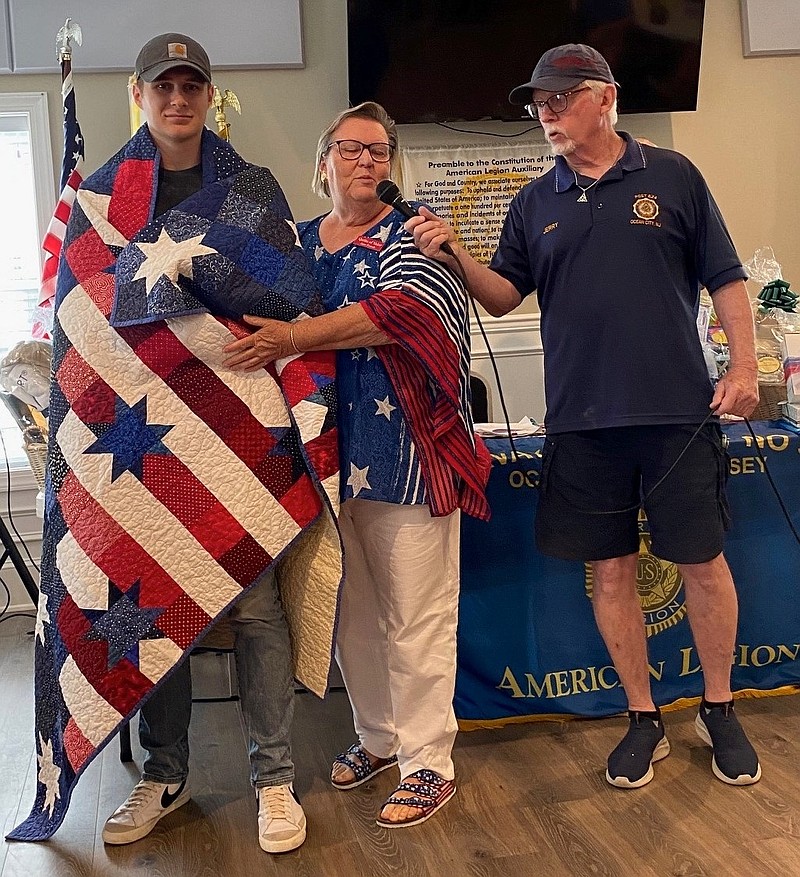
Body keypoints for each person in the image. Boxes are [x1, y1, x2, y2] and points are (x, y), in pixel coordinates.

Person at [10, 31, 343, 850]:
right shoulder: (99, 202)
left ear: (208, 95)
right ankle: (164, 774)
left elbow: (291, 295)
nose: (178, 99)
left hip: (237, 432)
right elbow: (83, 325)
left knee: (258, 606)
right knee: (151, 598)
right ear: (140, 94)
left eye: (192, 85)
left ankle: (272, 779)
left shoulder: (251, 193)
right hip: (138, 445)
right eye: (164, 86)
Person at [406, 44, 762, 790]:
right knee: (610, 572)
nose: (546, 112)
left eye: (560, 99)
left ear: (605, 98)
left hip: (676, 414)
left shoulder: (673, 176)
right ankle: (643, 716)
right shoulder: (534, 202)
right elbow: (503, 295)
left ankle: (720, 707)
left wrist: (741, 367)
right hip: (582, 421)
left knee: (702, 563)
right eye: (539, 102)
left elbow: (725, 277)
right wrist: (453, 254)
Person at [223, 101, 491, 827]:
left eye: (379, 151)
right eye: (351, 149)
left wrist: (293, 334)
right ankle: (377, 736)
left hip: (409, 455)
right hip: (327, 462)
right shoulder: (300, 245)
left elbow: (398, 312)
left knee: (417, 612)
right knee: (353, 614)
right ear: (323, 164)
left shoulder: (416, 235)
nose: (367, 161)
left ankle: (428, 760)